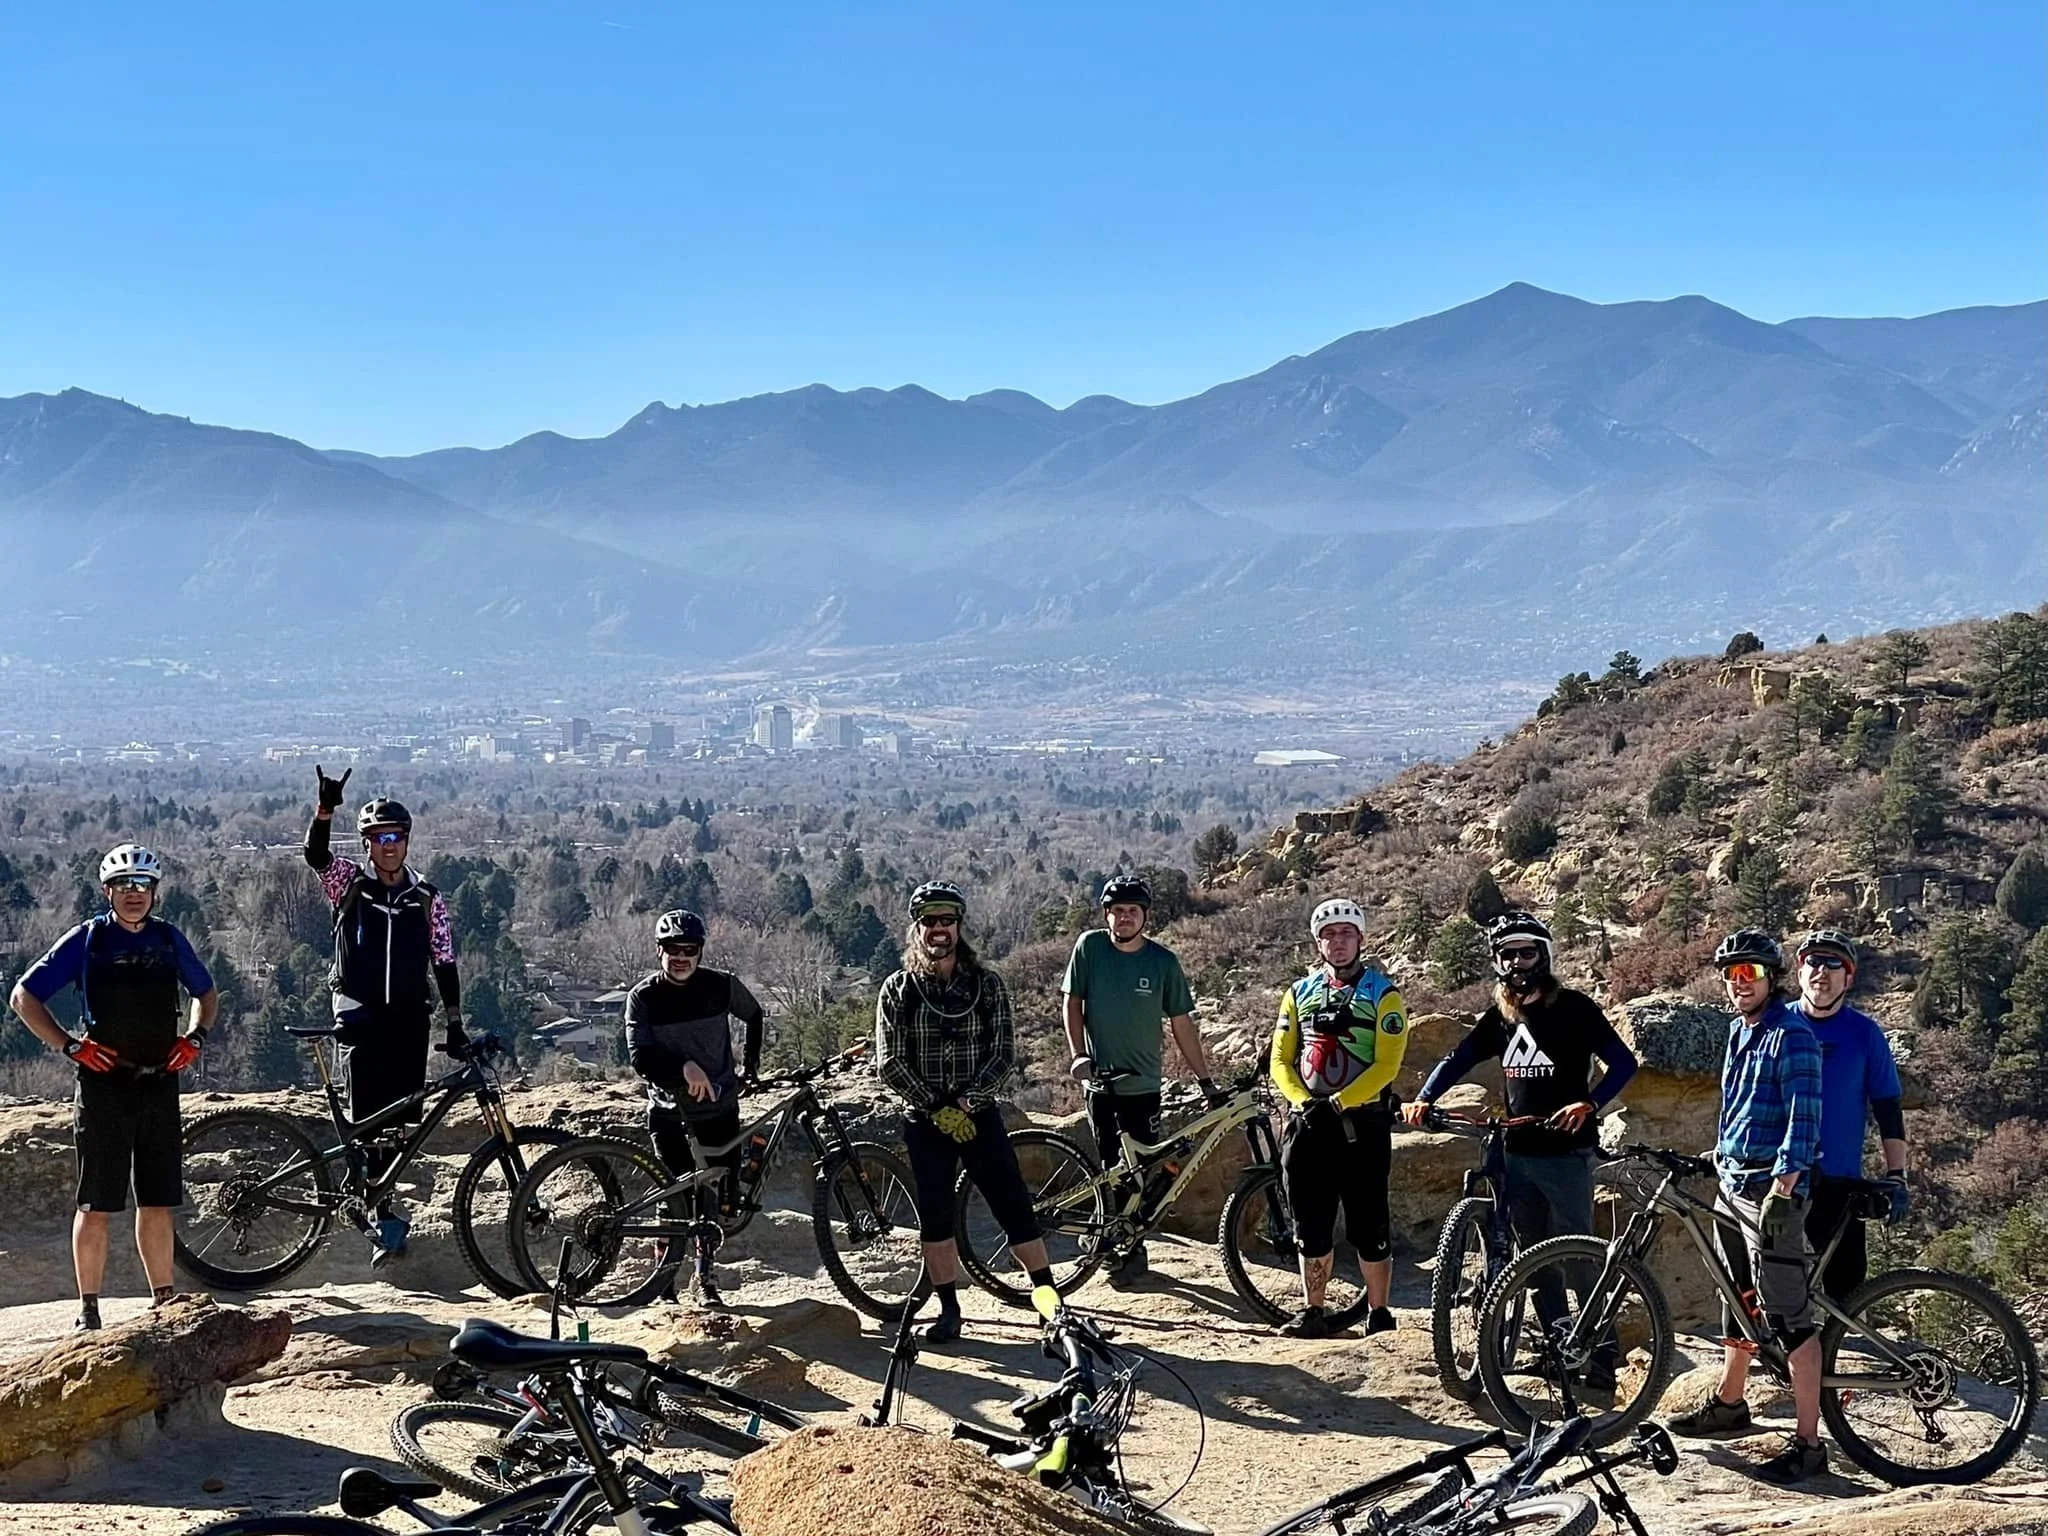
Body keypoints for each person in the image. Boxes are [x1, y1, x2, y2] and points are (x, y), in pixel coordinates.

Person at [1402, 910, 1638, 1387]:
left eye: (1526, 952)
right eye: (1507, 954)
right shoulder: (1501, 1016)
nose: (1516, 962)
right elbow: (1459, 1058)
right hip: (1518, 1150)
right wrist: (1424, 1097)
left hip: (1567, 1152)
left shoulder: (1573, 1008)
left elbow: (1623, 1064)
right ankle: (1557, 1348)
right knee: (1532, 1256)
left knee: (1577, 1254)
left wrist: (1589, 1104)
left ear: (1543, 956)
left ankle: (1601, 1355)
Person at [10, 845, 218, 1331]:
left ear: (155, 891)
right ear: (107, 891)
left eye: (142, 885)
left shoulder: (168, 939)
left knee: (157, 1200)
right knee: (96, 1202)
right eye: (123, 885)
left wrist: (195, 1038)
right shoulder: (88, 939)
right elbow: (24, 996)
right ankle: (89, 1309)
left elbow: (205, 994)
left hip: (159, 1081)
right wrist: (69, 1046)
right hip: (103, 1086)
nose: (133, 893)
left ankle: (164, 1300)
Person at [1667, 930, 1827, 1485]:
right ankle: (1731, 1403)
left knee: (1787, 1315)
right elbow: (1735, 1107)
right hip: (1732, 1183)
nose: (1740, 984)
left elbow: (1804, 1119)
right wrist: (1716, 1156)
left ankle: (1809, 1444)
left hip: (1770, 1192)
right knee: (1736, 1298)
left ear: (1771, 978)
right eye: (1731, 975)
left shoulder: (1793, 1035)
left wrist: (1784, 1188)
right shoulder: (1739, 1030)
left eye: (1750, 973)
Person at [874, 880, 1058, 1344]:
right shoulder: (898, 989)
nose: (938, 929)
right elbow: (889, 1061)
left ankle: (1049, 1305)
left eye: (947, 921)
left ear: (959, 926)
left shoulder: (986, 985)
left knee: (1014, 1207)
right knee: (935, 1217)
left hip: (978, 1115)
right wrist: (936, 1106)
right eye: (929, 921)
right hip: (925, 1119)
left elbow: (1003, 1053)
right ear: (917, 928)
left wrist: (968, 1101)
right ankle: (949, 1310)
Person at [303, 766, 464, 1261]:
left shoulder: (426, 897)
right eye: (378, 838)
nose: (388, 846)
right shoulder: (350, 883)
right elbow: (316, 856)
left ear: (407, 841)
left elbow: (444, 960)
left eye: (395, 837)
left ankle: (379, 1205)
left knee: (401, 1120)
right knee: (369, 1116)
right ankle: (379, 1214)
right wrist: (325, 812)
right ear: (367, 844)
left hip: (409, 1016)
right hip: (360, 1011)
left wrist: (455, 1021)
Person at [1062, 873, 1220, 1284]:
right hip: (1100, 1082)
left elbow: (1182, 1023)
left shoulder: (1162, 962)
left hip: (1144, 1085)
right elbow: (1072, 1002)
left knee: (1142, 1172)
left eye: (1132, 911)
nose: (1124, 918)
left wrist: (1205, 1080)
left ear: (1145, 916)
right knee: (1110, 1167)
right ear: (1107, 915)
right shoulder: (1090, 947)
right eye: (1117, 911)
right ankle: (1109, 1244)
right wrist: (1078, 1055)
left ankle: (1129, 1247)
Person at [1269, 896, 1409, 1339]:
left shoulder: (1383, 994)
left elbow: (1387, 1065)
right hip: (1309, 1122)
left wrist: (1340, 1102)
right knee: (1311, 1223)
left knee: (1370, 1223)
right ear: (1318, 944)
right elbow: (1280, 1058)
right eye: (1329, 935)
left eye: (1346, 933)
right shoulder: (1299, 992)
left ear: (1361, 939)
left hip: (1361, 1124)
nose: (1338, 942)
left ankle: (1380, 1312)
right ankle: (1313, 1309)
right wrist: (1301, 1100)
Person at [625, 908, 765, 1309]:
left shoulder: (721, 986)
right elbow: (640, 1058)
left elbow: (754, 1014)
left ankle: (705, 1279)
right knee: (672, 1198)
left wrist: (750, 1069)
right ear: (659, 950)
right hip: (669, 1111)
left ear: (700, 951)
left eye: (690, 949)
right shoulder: (643, 997)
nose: (681, 957)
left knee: (713, 1199)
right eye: (673, 949)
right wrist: (683, 1068)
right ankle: (664, 1284)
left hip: (719, 1109)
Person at [1791, 929, 1908, 1302]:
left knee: (1847, 1297)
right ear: (1799, 971)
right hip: (1778, 1179)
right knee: (1771, 1296)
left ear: (1849, 979)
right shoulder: (1774, 1026)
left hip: (1839, 1184)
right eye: (1813, 962)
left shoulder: (1865, 1034)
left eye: (1833, 964)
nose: (1821, 972)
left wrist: (1897, 1175)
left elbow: (1888, 1108)